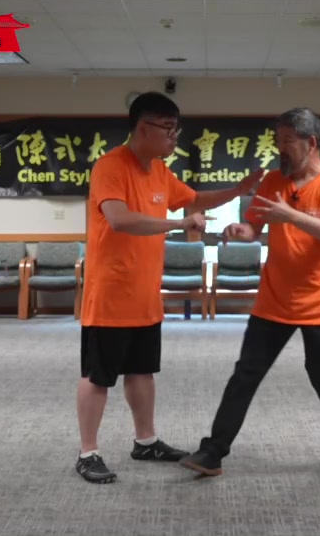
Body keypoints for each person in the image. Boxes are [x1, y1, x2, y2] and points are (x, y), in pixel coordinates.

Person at [76, 91, 262, 484]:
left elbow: (194, 198)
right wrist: (179, 223)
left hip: (145, 294)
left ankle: (145, 441)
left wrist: (237, 190)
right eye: (167, 128)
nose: (174, 137)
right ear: (143, 128)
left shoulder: (160, 171)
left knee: (142, 372)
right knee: (98, 376)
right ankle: (87, 452)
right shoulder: (111, 166)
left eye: (177, 129)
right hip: (110, 294)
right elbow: (120, 219)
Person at [179, 107, 320, 477]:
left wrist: (291, 216)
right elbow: (256, 227)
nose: (280, 148)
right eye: (277, 140)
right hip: (274, 299)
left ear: (311, 143)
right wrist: (242, 231)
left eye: (287, 141)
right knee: (245, 375)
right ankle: (213, 451)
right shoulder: (272, 182)